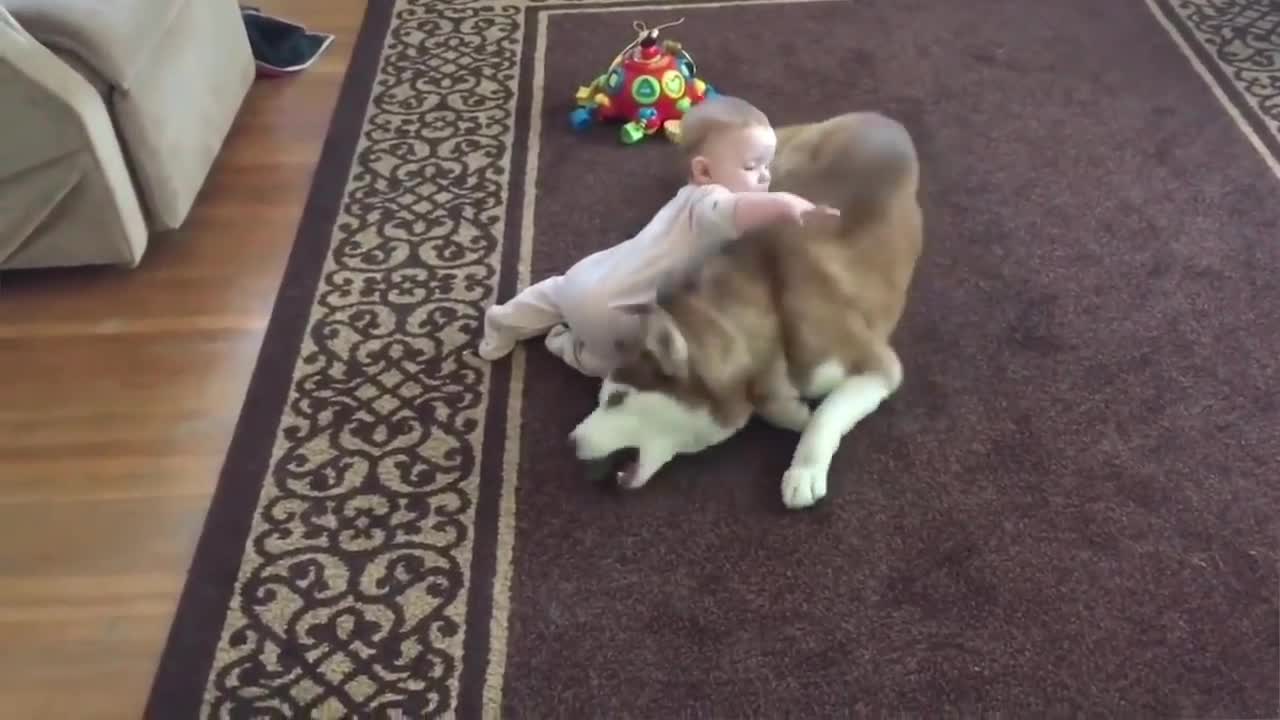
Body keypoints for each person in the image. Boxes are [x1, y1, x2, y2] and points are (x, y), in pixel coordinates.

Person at [477, 95, 838, 377]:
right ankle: (569, 348)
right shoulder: (714, 204)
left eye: (767, 166)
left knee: (551, 294)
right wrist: (788, 205)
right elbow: (735, 211)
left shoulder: (687, 196)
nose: (764, 176)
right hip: (616, 316)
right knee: (631, 367)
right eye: (751, 166)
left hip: (585, 278)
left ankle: (502, 321)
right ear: (704, 170)